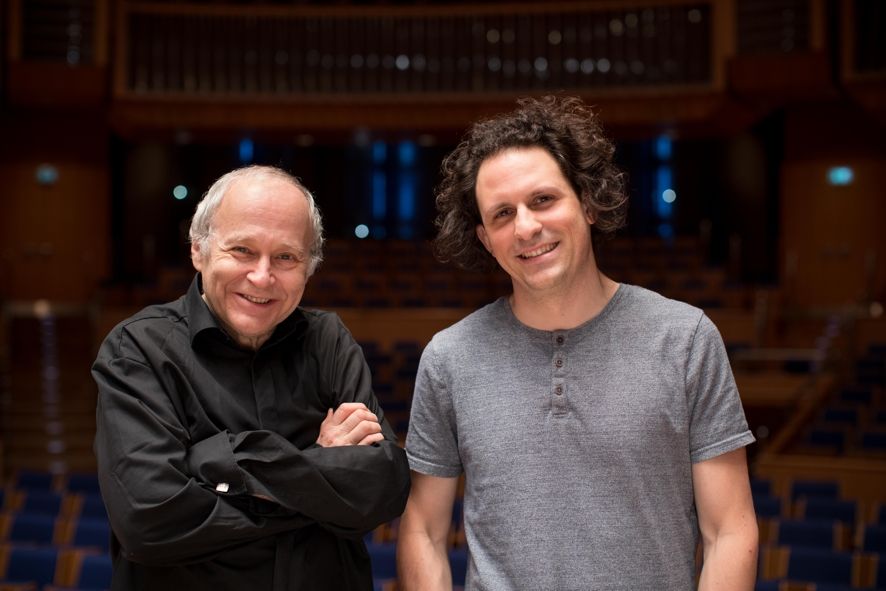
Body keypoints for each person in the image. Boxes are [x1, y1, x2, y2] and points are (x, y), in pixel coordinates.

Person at [397, 96, 758, 590]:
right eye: (503, 214)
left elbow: (730, 531)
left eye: (543, 200)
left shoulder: (685, 339)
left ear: (588, 202)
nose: (526, 227)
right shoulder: (449, 358)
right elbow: (423, 530)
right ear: (485, 238)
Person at [93, 165, 410, 591]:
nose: (263, 277)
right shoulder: (137, 348)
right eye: (241, 250)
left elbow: (381, 488)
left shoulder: (328, 340)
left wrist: (217, 464)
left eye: (285, 257)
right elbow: (149, 520)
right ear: (198, 250)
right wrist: (319, 466)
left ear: (309, 267)